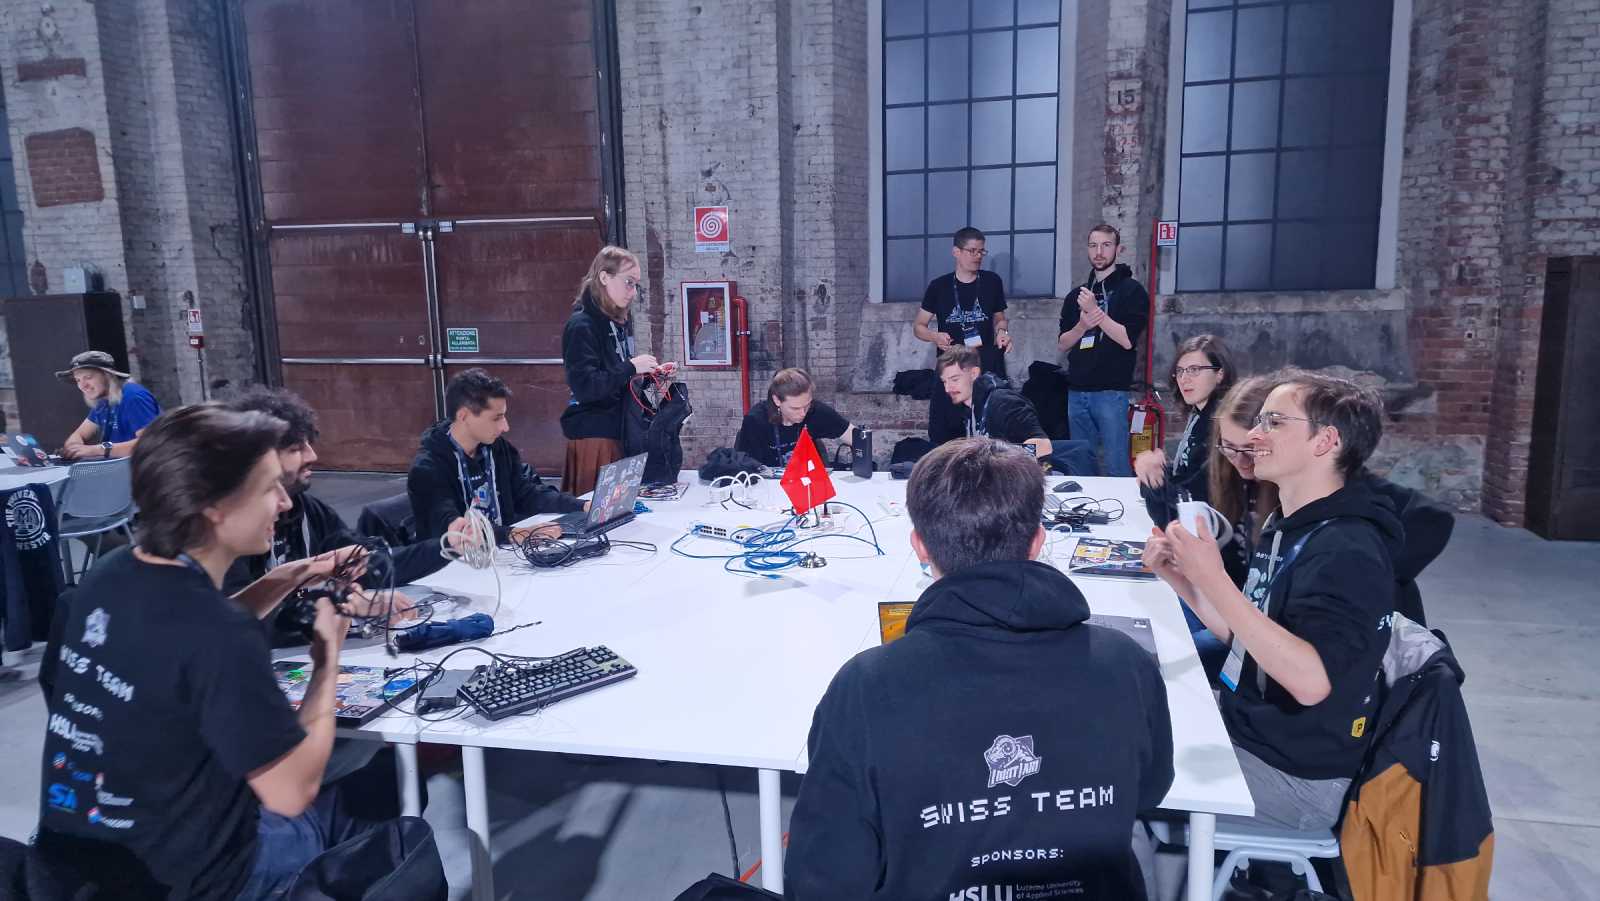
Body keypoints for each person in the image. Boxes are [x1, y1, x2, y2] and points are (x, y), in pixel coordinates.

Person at [786, 438, 1173, 899]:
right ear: (1037, 541)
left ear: (920, 546)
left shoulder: (867, 688)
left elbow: (824, 876)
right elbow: (1149, 790)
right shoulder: (1126, 664)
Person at [34, 405, 375, 899]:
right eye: (268, 489)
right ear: (216, 505)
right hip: (197, 880)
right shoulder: (220, 631)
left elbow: (186, 639)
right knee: (371, 797)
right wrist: (327, 658)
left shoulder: (110, 575)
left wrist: (297, 572)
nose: (284, 503)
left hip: (81, 867)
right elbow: (291, 792)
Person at [1144, 370, 1402, 831]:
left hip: (1293, 775)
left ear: (1326, 441)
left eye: (1275, 423)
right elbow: (1251, 636)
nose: (1255, 436)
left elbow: (1312, 682)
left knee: (1106, 769)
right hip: (1248, 729)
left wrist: (1214, 578)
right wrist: (1179, 577)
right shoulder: (1292, 523)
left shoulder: (1349, 550)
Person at [221, 387, 463, 627]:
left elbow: (371, 565)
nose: (312, 456)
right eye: (295, 449)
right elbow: (233, 623)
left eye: (308, 444)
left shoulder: (307, 510)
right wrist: (343, 606)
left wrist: (446, 546)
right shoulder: (230, 529)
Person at [409, 368, 585, 545]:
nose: (505, 427)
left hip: (502, 549)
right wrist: (513, 534)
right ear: (464, 416)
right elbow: (454, 532)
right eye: (496, 418)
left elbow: (525, 494)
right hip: (458, 558)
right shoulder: (427, 469)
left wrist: (581, 505)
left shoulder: (497, 448)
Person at [561, 245, 676, 495]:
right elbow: (586, 387)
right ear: (604, 277)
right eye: (628, 282)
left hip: (618, 432)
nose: (633, 292)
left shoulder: (613, 323)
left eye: (636, 285)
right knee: (598, 513)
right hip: (596, 437)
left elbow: (620, 385)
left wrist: (655, 380)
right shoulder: (582, 325)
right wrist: (631, 366)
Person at [1058, 224, 1149, 476]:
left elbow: (1127, 340)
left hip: (1110, 392)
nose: (1099, 252)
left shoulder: (1132, 291)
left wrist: (1095, 311)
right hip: (1077, 392)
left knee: (1116, 465)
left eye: (1106, 245)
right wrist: (1082, 325)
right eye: (1093, 245)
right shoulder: (1076, 295)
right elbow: (1063, 343)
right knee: (1081, 466)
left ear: (1118, 249)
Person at [929, 346, 1099, 475]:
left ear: (974, 373)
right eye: (944, 382)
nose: (948, 388)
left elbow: (1042, 445)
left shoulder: (1003, 402)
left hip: (1035, 481)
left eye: (954, 379)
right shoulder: (970, 410)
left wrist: (993, 458)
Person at [1137, 335, 1236, 526]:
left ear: (1220, 374)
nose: (1184, 379)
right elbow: (1186, 474)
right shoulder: (1199, 414)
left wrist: (1153, 480)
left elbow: (1194, 501)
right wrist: (1154, 471)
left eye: (1194, 370)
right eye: (1180, 371)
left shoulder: (1221, 424)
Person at [914, 227, 1012, 379]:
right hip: (951, 363)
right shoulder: (938, 286)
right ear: (956, 252)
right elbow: (919, 327)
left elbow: (1000, 319)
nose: (978, 256)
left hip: (985, 361)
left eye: (981, 251)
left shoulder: (992, 281)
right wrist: (934, 337)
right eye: (972, 251)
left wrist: (1002, 333)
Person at [733, 368, 854, 467]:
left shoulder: (816, 411)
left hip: (807, 481)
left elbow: (856, 437)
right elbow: (745, 467)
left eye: (807, 405)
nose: (803, 413)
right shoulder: (756, 420)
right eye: (795, 408)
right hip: (768, 483)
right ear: (777, 400)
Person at [57, 350, 161, 461]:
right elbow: (79, 434)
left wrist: (95, 450)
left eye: (88, 377)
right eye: (78, 380)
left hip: (148, 468)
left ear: (107, 375)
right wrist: (73, 448)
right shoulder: (103, 400)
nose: (82, 385)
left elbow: (149, 444)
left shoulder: (133, 396)